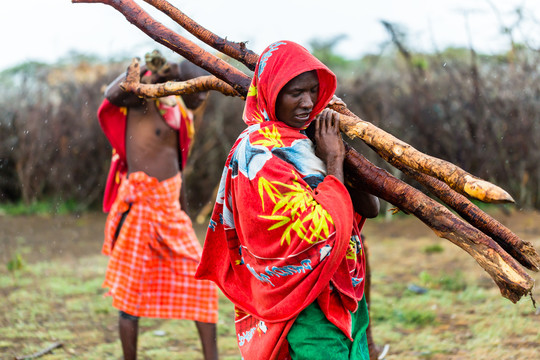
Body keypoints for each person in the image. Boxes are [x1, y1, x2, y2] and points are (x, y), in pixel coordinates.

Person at [195, 41, 379, 359]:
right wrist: (333, 161)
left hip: (344, 290)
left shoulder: (311, 139)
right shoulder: (258, 151)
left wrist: (343, 152)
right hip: (304, 304)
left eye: (313, 91)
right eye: (296, 93)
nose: (308, 102)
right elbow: (324, 231)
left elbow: (369, 209)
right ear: (273, 92)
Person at [97, 52, 219, 360]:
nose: (199, 98)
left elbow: (175, 166)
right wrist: (149, 69)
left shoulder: (176, 109)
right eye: (196, 89)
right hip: (140, 208)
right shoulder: (142, 98)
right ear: (179, 78)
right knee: (130, 297)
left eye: (203, 92)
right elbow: (111, 96)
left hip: (170, 209)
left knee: (202, 284)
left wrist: (185, 214)